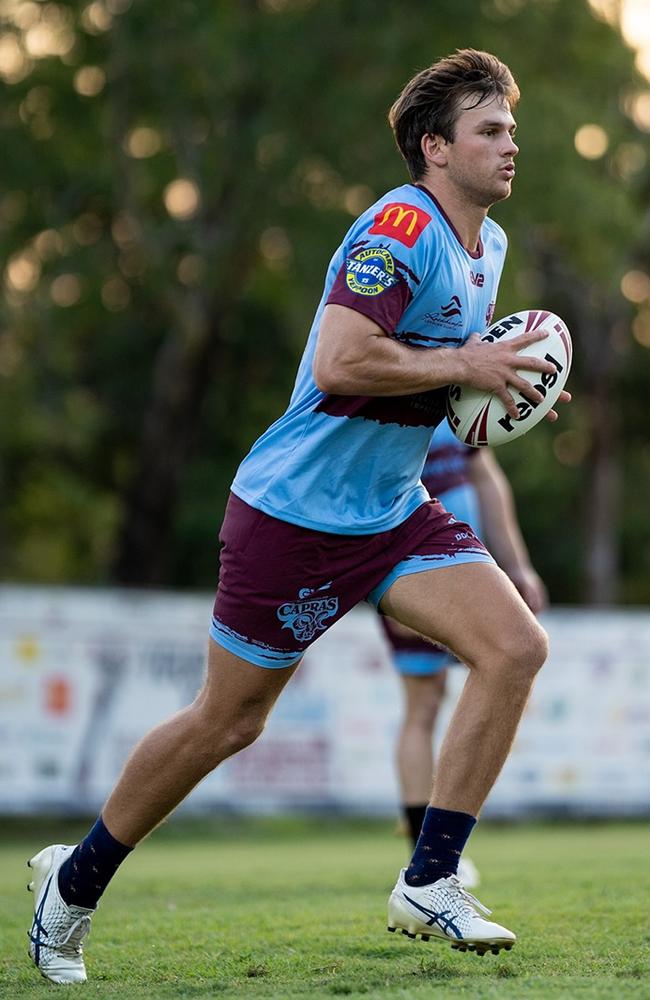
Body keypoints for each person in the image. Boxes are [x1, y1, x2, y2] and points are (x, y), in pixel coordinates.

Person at [26, 48, 571, 984]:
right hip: (294, 515)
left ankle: (430, 878)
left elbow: (441, 384)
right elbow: (340, 363)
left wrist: (504, 392)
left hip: (394, 512)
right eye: (491, 130)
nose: (511, 144)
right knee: (227, 724)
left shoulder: (492, 249)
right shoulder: (399, 226)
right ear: (436, 148)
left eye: (511, 129)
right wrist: (466, 369)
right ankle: (70, 885)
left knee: (515, 647)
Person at [383, 420, 547, 885]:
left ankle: (442, 839)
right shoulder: (391, 399)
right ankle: (424, 847)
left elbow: (486, 477)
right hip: (408, 567)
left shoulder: (461, 402)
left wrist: (517, 565)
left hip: (470, 566)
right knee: (424, 700)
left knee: (503, 667)